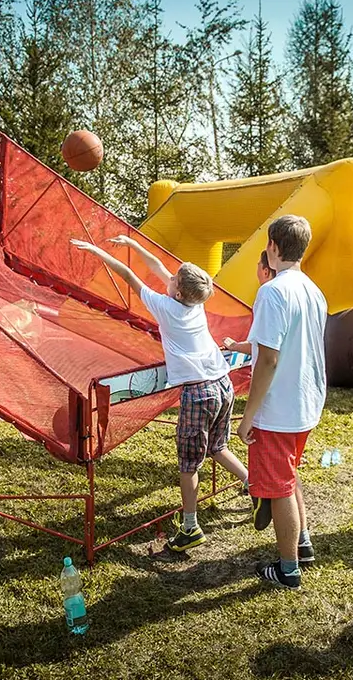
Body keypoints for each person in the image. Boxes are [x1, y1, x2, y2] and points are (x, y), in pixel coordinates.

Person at [70, 235, 249, 553]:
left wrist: (97, 251)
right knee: (218, 447)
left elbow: (128, 275)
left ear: (178, 290)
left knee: (187, 465)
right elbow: (159, 267)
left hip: (200, 392)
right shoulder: (194, 300)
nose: (169, 275)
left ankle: (191, 527)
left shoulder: (166, 306)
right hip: (223, 383)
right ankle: (255, 485)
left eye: (174, 277)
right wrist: (134, 244)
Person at [237, 215, 327, 590]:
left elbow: (269, 359)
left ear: (273, 247)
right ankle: (301, 542)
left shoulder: (272, 292)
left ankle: (288, 568)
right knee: (288, 477)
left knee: (279, 488)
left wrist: (248, 415)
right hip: (305, 402)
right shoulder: (313, 289)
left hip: (279, 409)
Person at [221, 251, 276, 355]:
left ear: (266, 272)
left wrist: (234, 346)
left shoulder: (266, 294)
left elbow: (261, 346)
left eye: (258, 264)